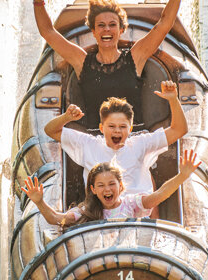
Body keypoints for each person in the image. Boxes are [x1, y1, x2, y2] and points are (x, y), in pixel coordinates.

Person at [31, 0, 192, 126]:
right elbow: (48, 32)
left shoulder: (135, 57)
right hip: (95, 142)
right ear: (93, 31)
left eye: (112, 25)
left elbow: (164, 24)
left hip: (134, 140)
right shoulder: (81, 61)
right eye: (101, 25)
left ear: (121, 30)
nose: (106, 29)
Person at [43, 81, 188, 195]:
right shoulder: (88, 144)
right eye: (111, 126)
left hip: (136, 218)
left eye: (122, 127)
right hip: (100, 220)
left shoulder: (141, 143)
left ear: (130, 129)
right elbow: (50, 130)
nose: (117, 131)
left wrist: (173, 99)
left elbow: (179, 130)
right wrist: (67, 117)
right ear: (101, 128)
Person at [21, 149, 202, 227]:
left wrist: (183, 175)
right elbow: (56, 219)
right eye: (101, 185)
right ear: (93, 189)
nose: (106, 189)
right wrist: (39, 201)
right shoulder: (86, 211)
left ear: (120, 186)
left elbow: (159, 195)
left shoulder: (132, 204)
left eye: (111, 184)